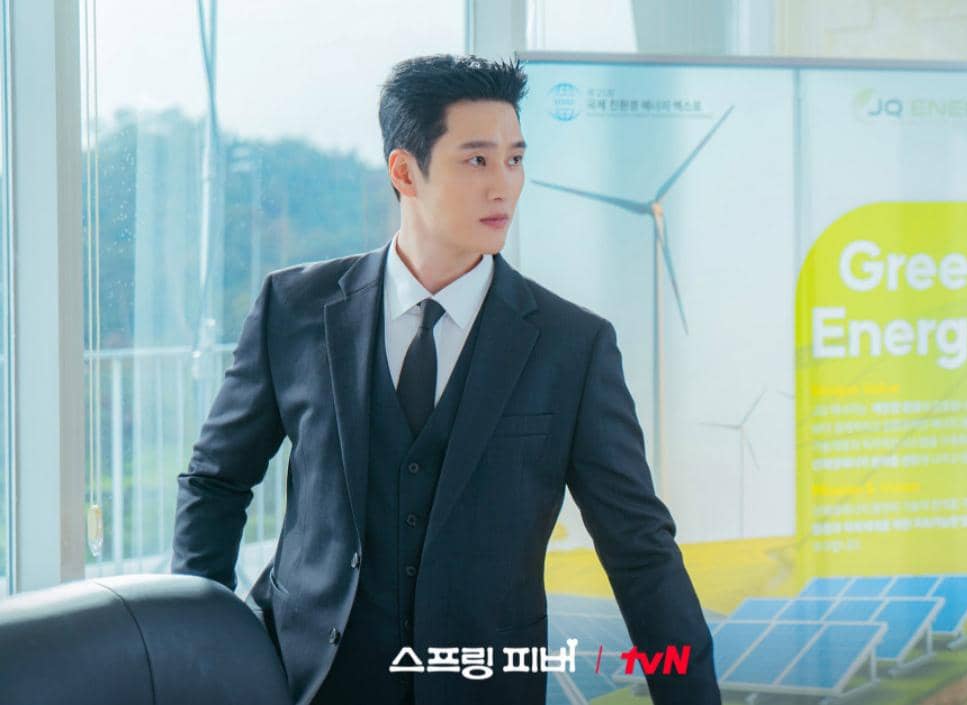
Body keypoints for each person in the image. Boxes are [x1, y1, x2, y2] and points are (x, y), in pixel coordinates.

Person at [171, 54, 722, 705]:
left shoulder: (573, 346)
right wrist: (199, 654)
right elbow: (215, 482)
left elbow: (639, 549)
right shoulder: (293, 311)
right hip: (308, 680)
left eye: (515, 159)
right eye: (477, 160)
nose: (504, 186)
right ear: (405, 171)